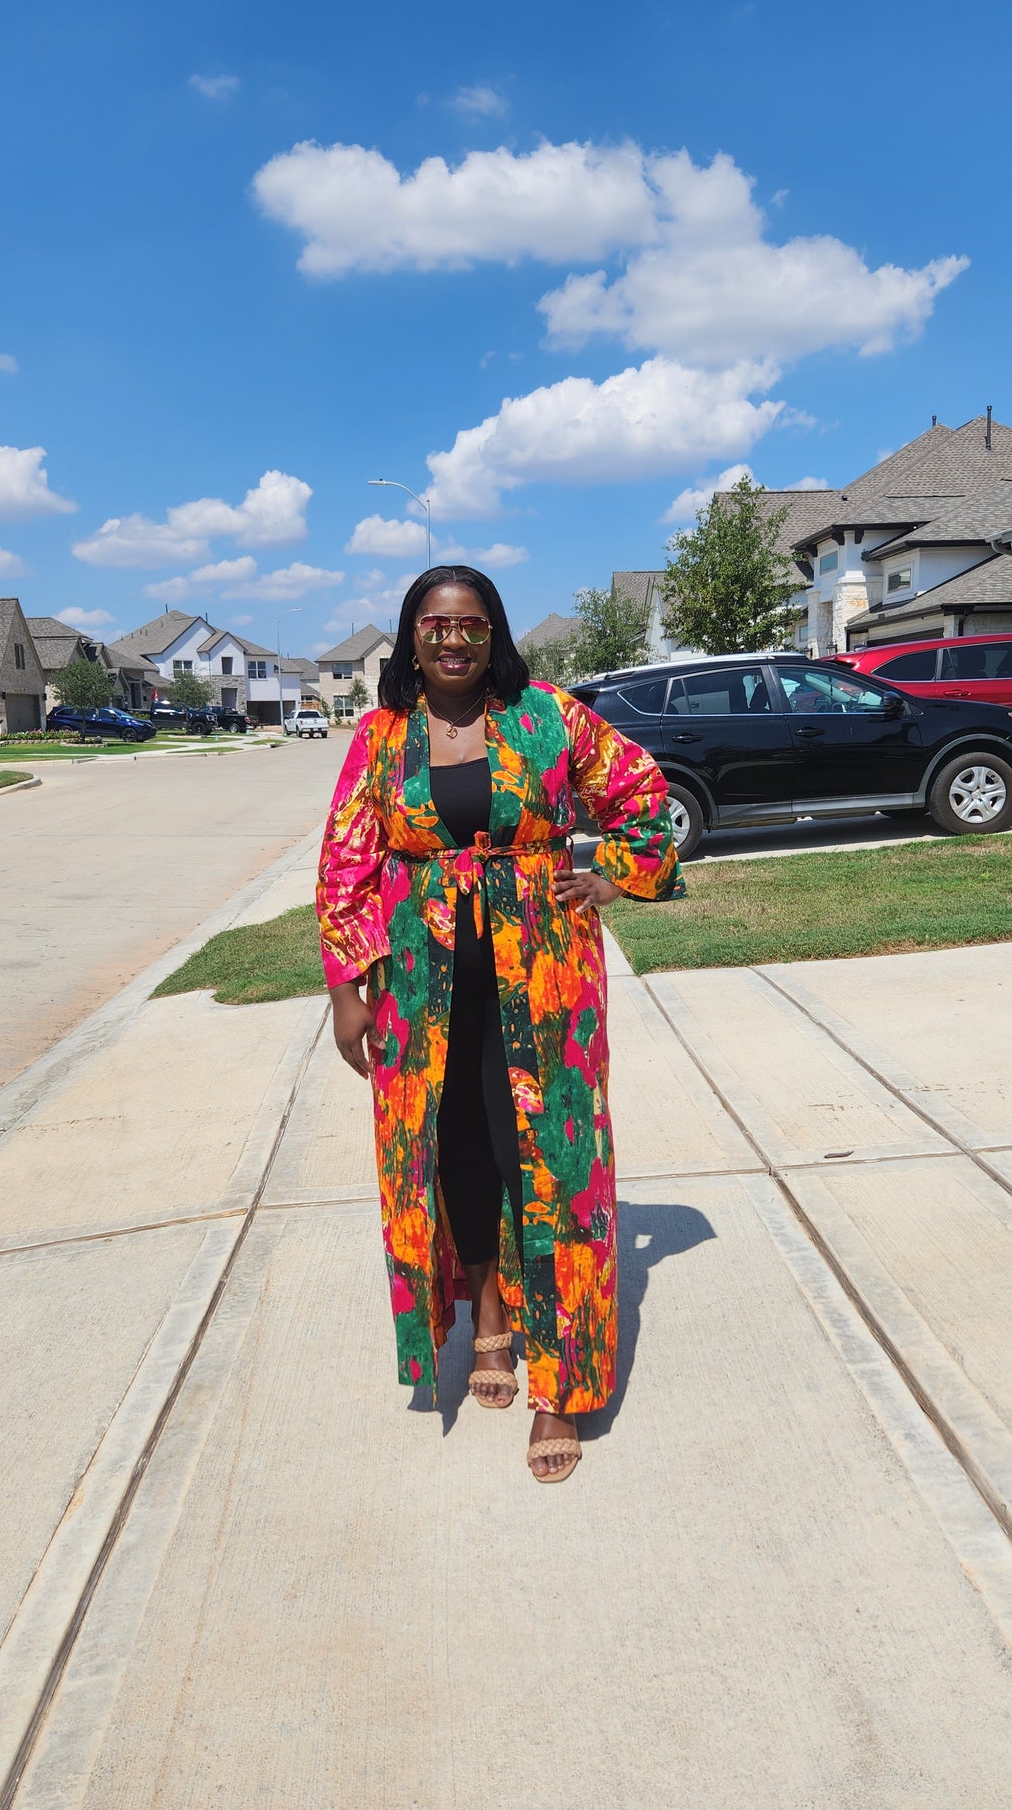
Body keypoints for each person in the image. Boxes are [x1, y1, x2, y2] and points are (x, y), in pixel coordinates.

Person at [317, 565, 683, 1483]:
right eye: (436, 626)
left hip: (547, 978)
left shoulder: (549, 718)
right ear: (410, 637)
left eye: (471, 625)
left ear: (495, 635)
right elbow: (344, 866)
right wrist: (348, 990)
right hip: (422, 988)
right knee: (459, 1147)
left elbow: (643, 796)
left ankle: (558, 1383)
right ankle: (487, 1314)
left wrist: (616, 874)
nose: (452, 640)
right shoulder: (380, 738)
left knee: (555, 1165)